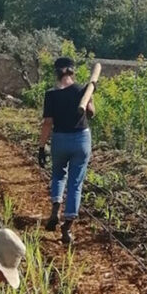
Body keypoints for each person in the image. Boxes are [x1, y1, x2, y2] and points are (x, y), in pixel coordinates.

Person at [37, 56, 96, 245]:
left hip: (60, 139)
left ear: (56, 72)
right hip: (81, 139)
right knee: (75, 183)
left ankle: (55, 209)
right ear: (73, 71)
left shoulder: (51, 95)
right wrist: (90, 95)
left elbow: (47, 123)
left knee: (58, 175)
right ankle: (67, 227)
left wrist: (41, 146)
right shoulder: (82, 90)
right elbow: (91, 113)